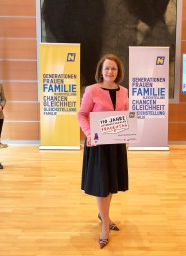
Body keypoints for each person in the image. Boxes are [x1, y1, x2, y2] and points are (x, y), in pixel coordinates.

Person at [77, 54, 129, 249]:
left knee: (110, 182)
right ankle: (105, 225)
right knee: (102, 185)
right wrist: (88, 133)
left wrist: (129, 133)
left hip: (116, 145)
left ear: (118, 72)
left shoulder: (124, 91)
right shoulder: (91, 90)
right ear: (101, 70)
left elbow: (126, 115)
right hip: (98, 145)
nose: (110, 72)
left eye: (113, 69)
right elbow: (82, 115)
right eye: (106, 68)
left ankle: (103, 214)